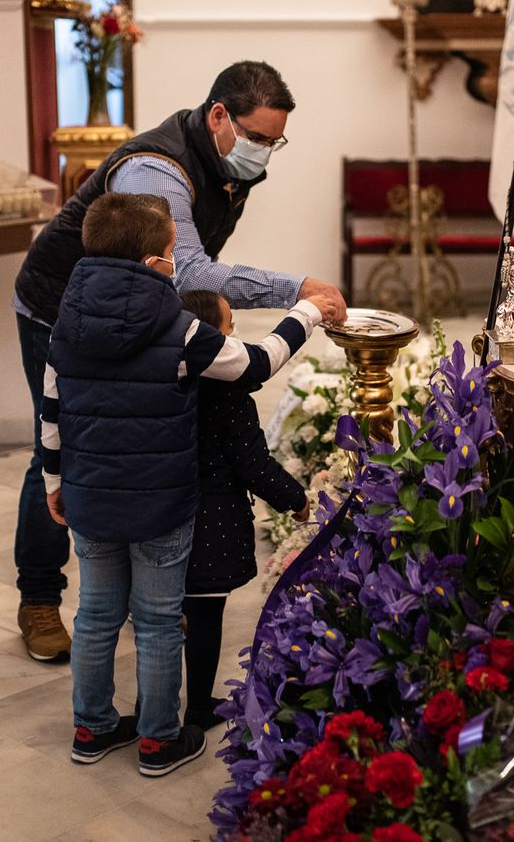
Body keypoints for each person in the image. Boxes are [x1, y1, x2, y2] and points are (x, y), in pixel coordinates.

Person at [12, 60, 348, 664]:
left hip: (143, 313)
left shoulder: (221, 162)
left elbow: (179, 274)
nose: (266, 153)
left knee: (156, 438)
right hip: (62, 311)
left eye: (277, 142)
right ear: (219, 115)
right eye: (259, 138)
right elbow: (188, 271)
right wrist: (297, 291)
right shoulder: (154, 171)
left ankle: (147, 596)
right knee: (64, 449)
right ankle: (39, 596)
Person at [41, 192, 331, 775]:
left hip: (91, 494)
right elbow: (252, 364)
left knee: (95, 616)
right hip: (162, 502)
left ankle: (91, 728)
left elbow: (51, 410)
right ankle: (157, 739)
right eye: (173, 251)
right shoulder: (177, 328)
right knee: (154, 619)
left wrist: (54, 481)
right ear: (153, 263)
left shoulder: (63, 324)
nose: (176, 262)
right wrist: (308, 313)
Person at [177, 290, 308, 732]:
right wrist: (298, 500)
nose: (235, 334)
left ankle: (157, 706)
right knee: (205, 619)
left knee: (170, 616)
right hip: (211, 522)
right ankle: (196, 709)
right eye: (230, 325)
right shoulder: (229, 395)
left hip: (168, 515)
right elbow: (253, 464)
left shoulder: (169, 384)